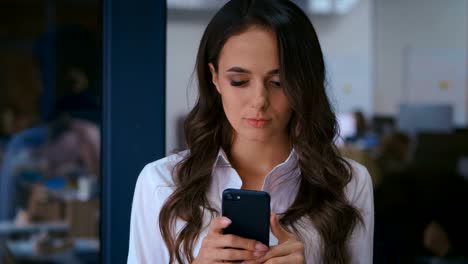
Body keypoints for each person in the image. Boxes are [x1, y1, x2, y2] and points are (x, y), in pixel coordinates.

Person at [128, 0, 374, 263]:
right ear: (214, 78)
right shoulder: (161, 183)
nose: (259, 100)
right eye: (239, 81)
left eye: (279, 82)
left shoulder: (347, 184)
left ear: (304, 82)